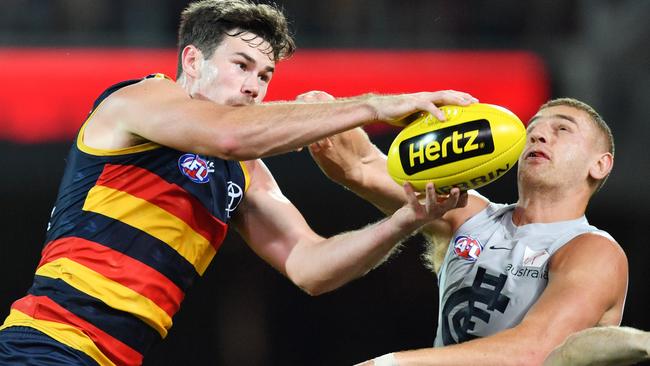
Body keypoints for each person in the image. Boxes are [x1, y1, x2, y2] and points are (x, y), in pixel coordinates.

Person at [0, 1, 480, 365]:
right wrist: (377, 105)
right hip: (48, 342)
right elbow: (229, 135)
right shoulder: (139, 100)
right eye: (241, 65)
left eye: (265, 74)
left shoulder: (244, 173)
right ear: (192, 60)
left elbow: (311, 267)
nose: (254, 85)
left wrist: (405, 220)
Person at [307, 97, 629, 365]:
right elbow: (359, 167)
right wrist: (327, 110)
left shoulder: (594, 252)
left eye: (562, 129)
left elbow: (535, 352)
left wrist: (390, 363)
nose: (539, 135)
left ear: (600, 164)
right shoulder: (466, 213)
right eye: (532, 129)